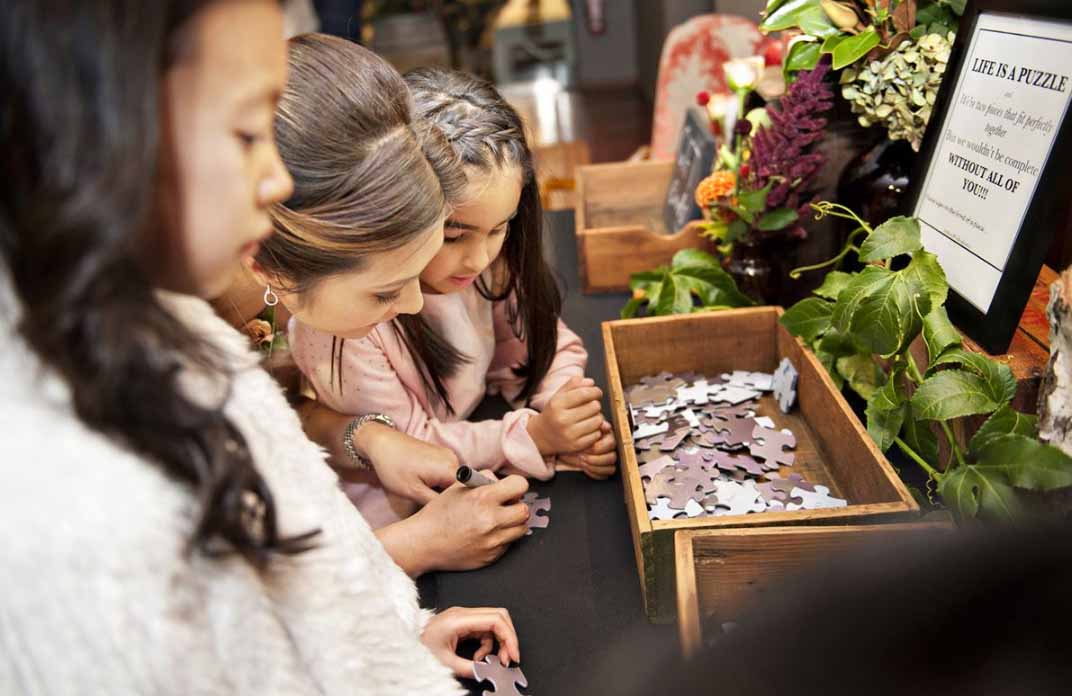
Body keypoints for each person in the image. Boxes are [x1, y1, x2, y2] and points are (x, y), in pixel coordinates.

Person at [1, 2, 518, 692]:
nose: (272, 183)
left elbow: (281, 418)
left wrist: (366, 442)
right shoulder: (76, 512)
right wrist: (414, 548)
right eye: (247, 132)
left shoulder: (186, 312)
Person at [237, 33, 533, 575]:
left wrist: (364, 435)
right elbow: (235, 599)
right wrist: (414, 546)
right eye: (385, 290)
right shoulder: (164, 361)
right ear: (270, 267)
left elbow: (284, 407)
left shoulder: (269, 263)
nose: (417, 302)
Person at [287, 66, 618, 531]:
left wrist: (570, 408)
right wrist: (536, 435)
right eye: (454, 235)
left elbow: (535, 346)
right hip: (402, 513)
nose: (479, 258)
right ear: (402, 212)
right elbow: (414, 449)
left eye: (499, 230)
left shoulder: (484, 265)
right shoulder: (349, 322)